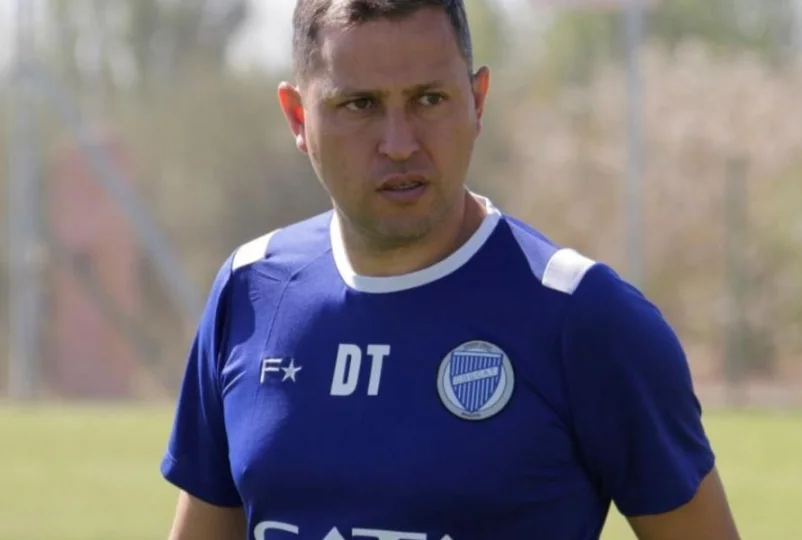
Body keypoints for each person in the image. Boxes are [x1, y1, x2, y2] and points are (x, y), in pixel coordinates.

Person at [161, 0, 742, 539]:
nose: (399, 143)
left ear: (477, 101)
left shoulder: (585, 318)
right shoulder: (251, 289)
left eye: (429, 100)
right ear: (297, 116)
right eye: (360, 105)